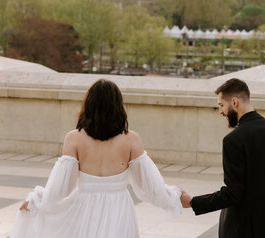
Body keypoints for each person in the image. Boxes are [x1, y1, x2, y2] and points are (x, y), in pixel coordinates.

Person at [10, 79, 181, 238]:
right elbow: (148, 184)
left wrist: (38, 201)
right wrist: (173, 196)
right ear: (119, 106)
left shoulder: (74, 138)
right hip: (119, 207)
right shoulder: (131, 139)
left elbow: (62, 187)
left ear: (89, 104)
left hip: (84, 206)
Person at [180, 78, 265, 238]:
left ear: (234, 102)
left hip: (243, 230)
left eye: (221, 105)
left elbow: (233, 194)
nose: (220, 111)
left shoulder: (233, 140)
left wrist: (193, 202)